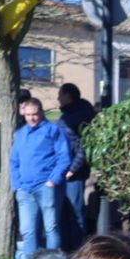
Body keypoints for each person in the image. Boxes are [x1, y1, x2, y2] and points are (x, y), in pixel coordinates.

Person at [12, 97, 71, 259]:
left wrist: (52, 181)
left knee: (51, 229)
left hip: (46, 186)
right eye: (28, 115)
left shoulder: (53, 130)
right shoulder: (20, 134)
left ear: (41, 113)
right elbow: (14, 161)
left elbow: (64, 157)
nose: (31, 118)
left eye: (35, 114)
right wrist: (17, 185)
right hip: (25, 189)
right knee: (28, 231)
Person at [58, 83, 97, 240]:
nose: (58, 98)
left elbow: (83, 147)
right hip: (65, 170)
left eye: (60, 95)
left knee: (75, 212)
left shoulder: (79, 116)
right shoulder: (69, 115)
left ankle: (77, 246)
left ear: (68, 97)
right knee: (65, 213)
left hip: (73, 173)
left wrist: (72, 169)